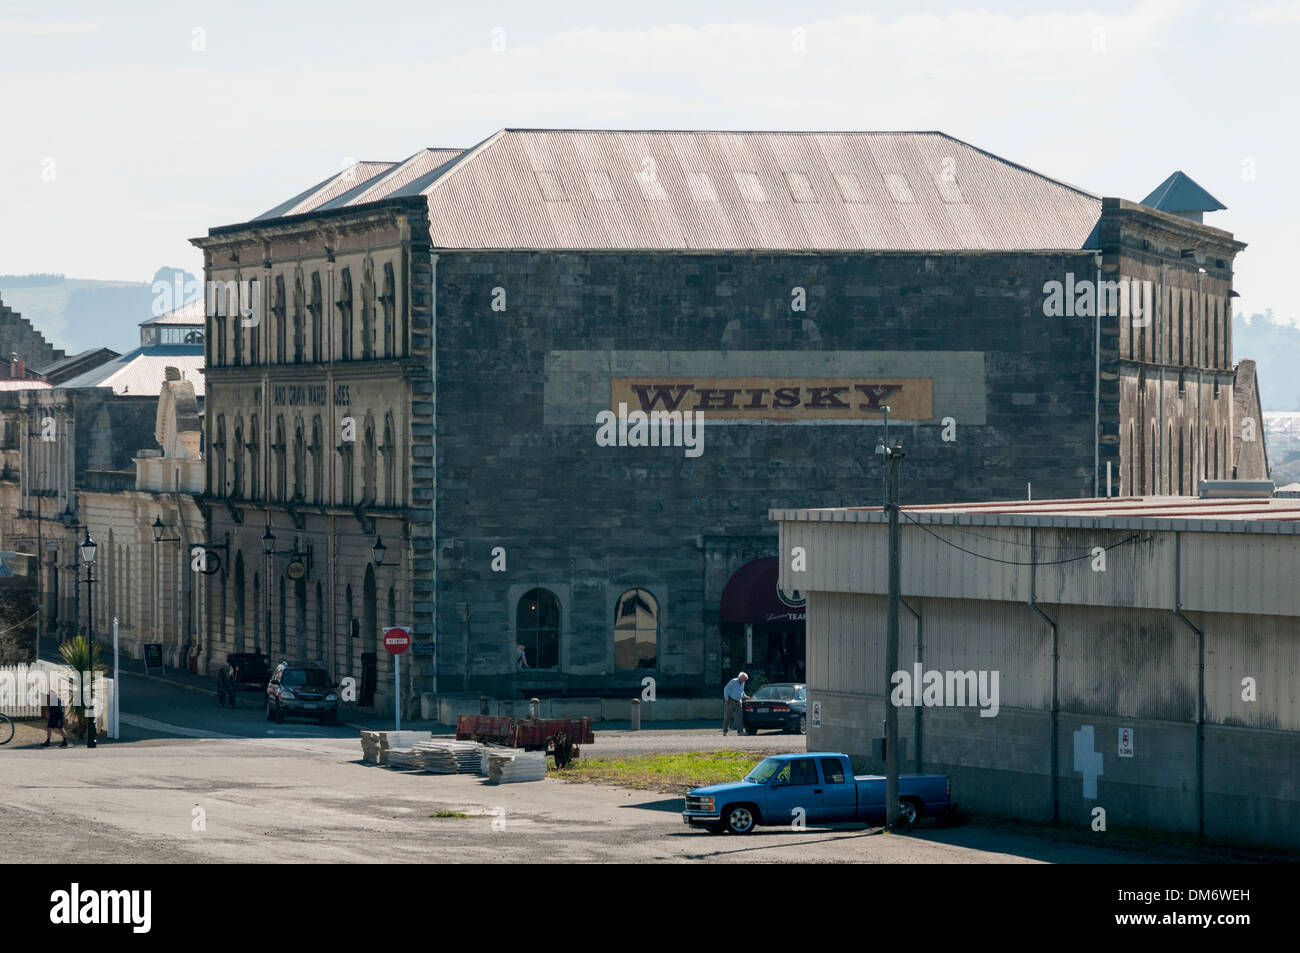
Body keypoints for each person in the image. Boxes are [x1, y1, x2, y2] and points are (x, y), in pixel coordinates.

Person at [722, 671, 749, 736]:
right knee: (727, 717)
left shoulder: (743, 682)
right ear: (740, 677)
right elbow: (726, 689)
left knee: (740, 717)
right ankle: (725, 732)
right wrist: (726, 699)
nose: (744, 681)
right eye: (744, 679)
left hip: (738, 702)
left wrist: (745, 696)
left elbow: (741, 691)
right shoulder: (733, 681)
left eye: (745, 680)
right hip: (730, 701)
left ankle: (740, 732)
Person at [42, 682, 68, 748]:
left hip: (58, 717)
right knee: (49, 728)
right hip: (53, 716)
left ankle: (65, 741)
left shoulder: (57, 700)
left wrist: (49, 712)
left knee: (61, 728)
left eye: (50, 694)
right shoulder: (52, 700)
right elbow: (51, 708)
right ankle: (48, 741)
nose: (49, 695)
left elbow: (58, 709)